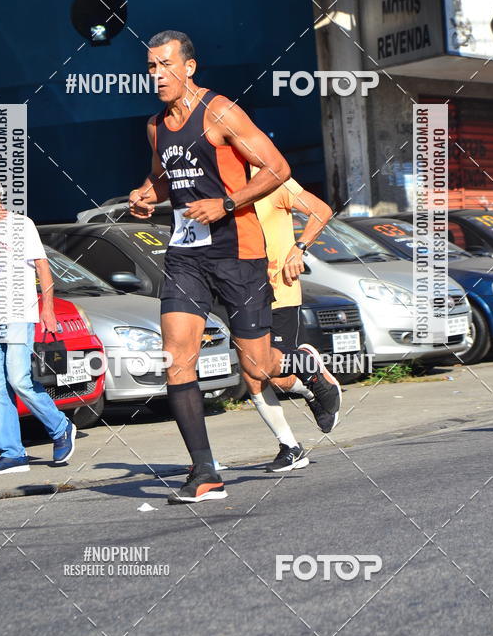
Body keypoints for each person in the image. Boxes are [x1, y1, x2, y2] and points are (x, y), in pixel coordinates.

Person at [129, 30, 332, 503]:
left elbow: (277, 167)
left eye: (165, 64)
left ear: (190, 67)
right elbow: (163, 178)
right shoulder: (156, 126)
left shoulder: (218, 111)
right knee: (177, 357)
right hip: (186, 253)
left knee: (258, 365)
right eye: (150, 67)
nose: (157, 75)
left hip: (238, 250)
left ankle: (308, 371)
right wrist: (145, 195)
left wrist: (226, 204)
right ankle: (204, 472)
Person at [0, 173, 76, 474]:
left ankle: (61, 426)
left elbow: (43, 267)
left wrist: (47, 309)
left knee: (19, 380)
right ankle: (12, 453)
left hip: (18, 316)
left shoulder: (22, 226)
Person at [246, 172, 342, 473]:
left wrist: (298, 248)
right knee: (254, 374)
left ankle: (305, 364)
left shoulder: (272, 180)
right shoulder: (216, 184)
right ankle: (291, 446)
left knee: (268, 371)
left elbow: (321, 210)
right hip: (241, 293)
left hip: (279, 288)